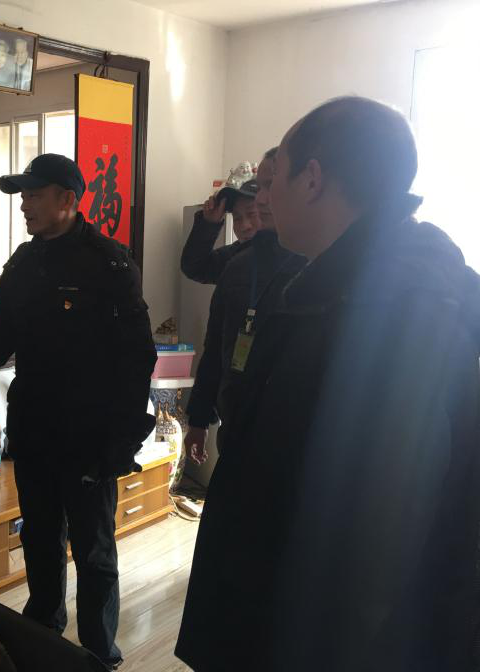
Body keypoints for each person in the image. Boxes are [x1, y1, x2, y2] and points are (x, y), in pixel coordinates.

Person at [176, 97, 480, 671]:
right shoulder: (335, 284)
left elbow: (375, 548)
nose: (266, 198)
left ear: (312, 179)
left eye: (276, 179)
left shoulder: (392, 312)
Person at [0, 154, 157, 670]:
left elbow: (137, 357)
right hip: (34, 428)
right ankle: (44, 635)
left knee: (93, 550)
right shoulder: (24, 264)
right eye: (23, 196)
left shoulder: (110, 264)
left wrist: (123, 439)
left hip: (89, 435)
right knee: (39, 537)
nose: (24, 206)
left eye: (33, 195)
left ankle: (98, 653)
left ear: (67, 199)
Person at [183, 149, 306, 464]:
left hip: (293, 439)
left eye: (269, 188)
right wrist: (198, 419)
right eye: (237, 218)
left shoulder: (315, 261)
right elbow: (215, 348)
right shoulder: (238, 263)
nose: (247, 223)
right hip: (236, 426)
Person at [180, 176, 261, 284]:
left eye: (252, 214)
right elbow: (194, 268)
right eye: (237, 218)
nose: (244, 226)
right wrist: (209, 224)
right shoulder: (234, 256)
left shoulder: (282, 260)